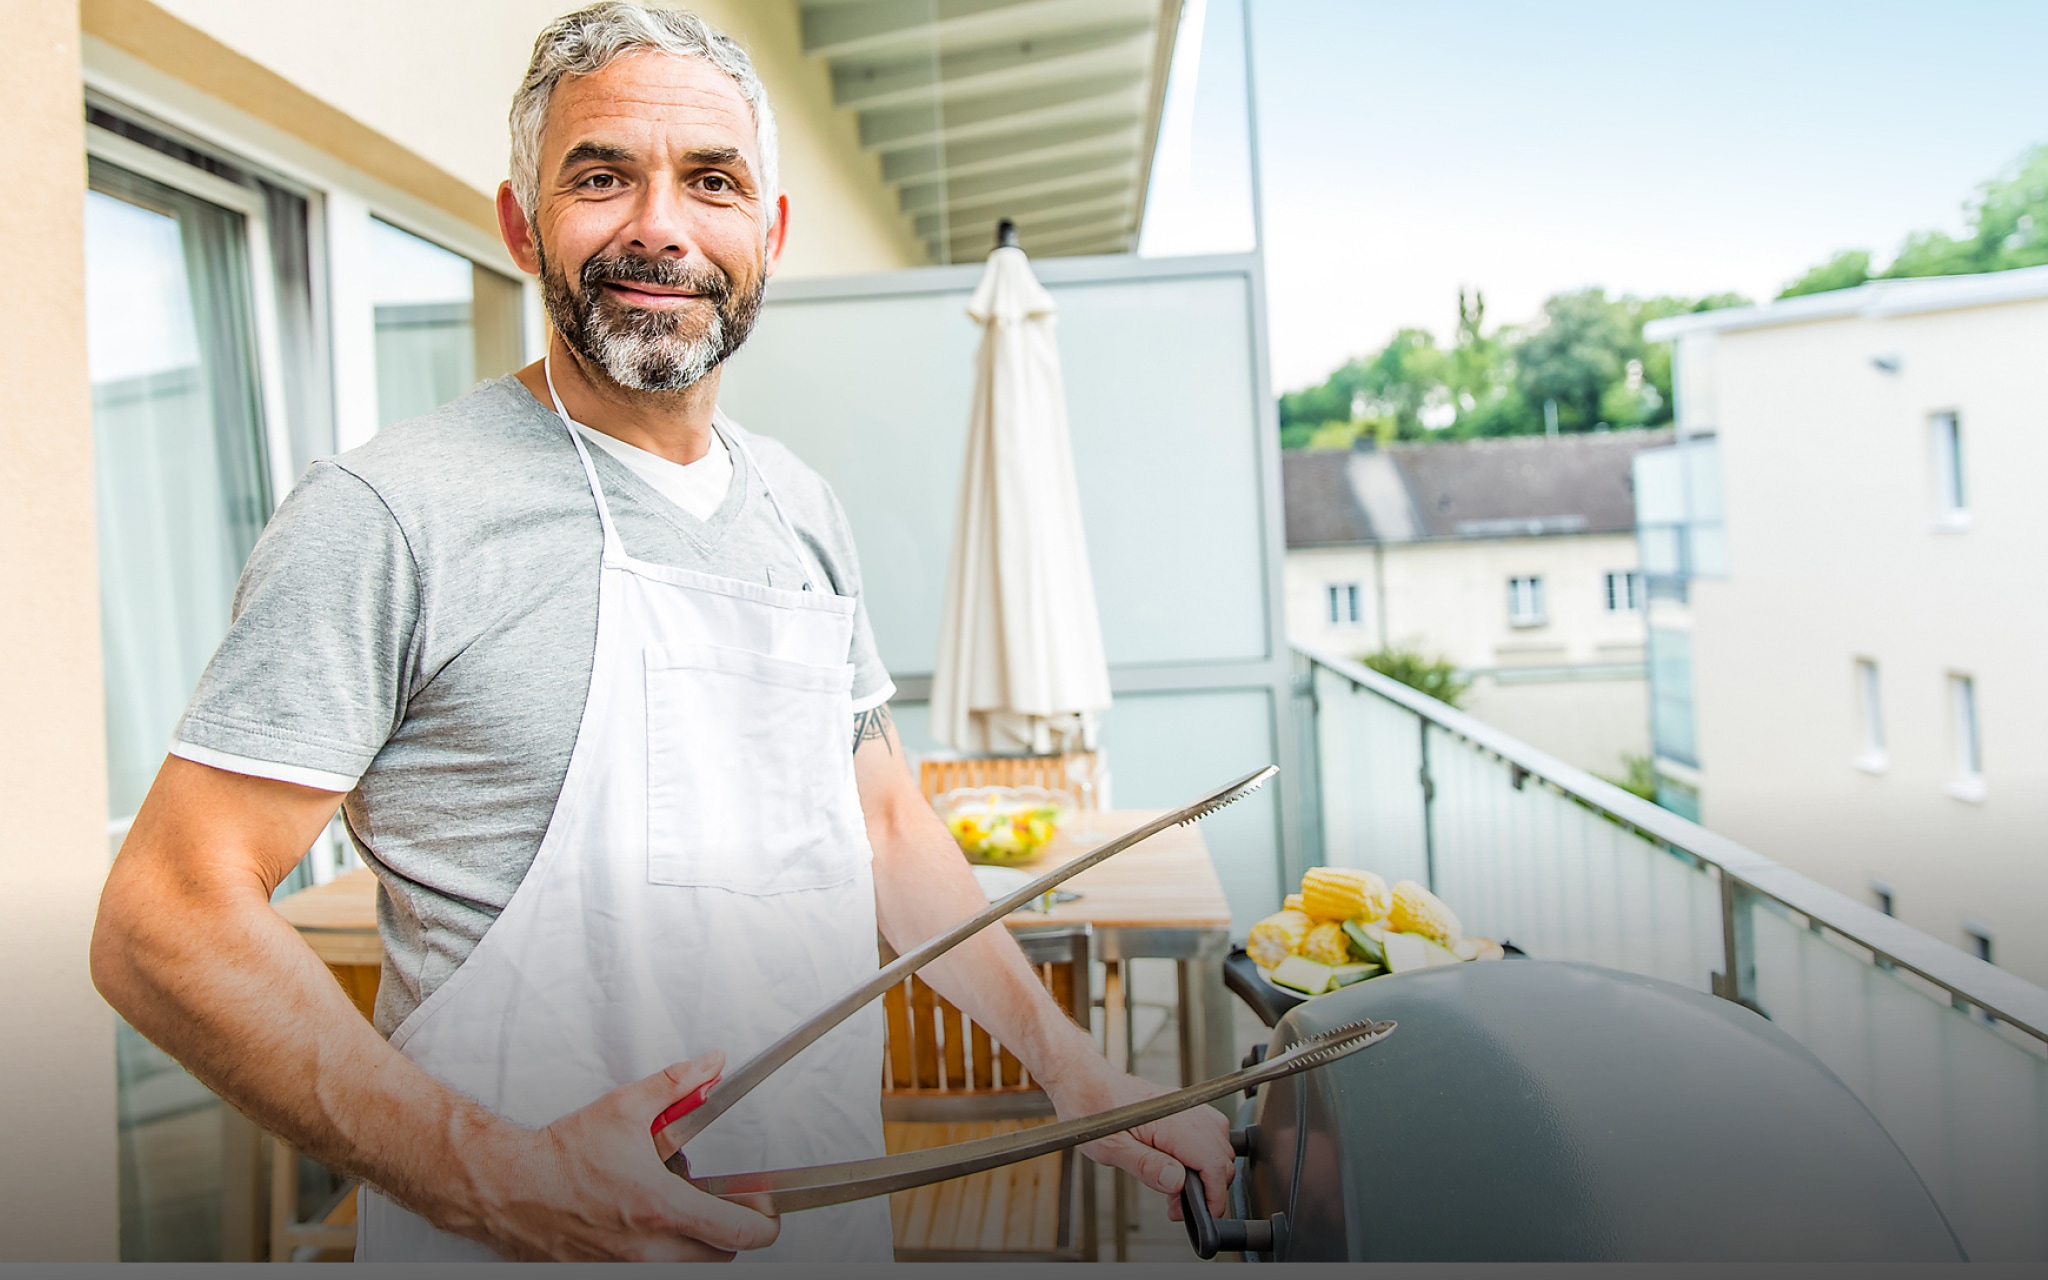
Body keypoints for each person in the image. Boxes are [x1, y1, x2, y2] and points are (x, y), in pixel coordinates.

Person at [87, 2, 1232, 1263]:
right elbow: (163, 921)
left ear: (769, 233)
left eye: (711, 181)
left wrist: (1073, 1068)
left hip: (812, 1218)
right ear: (521, 222)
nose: (659, 226)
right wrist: (485, 1176)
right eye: (600, 176)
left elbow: (886, 823)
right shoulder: (389, 515)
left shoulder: (799, 505)